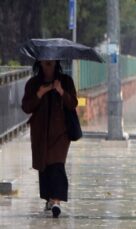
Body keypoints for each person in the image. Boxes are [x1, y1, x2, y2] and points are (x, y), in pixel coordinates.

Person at [21, 60, 78, 218]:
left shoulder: (66, 81)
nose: (48, 65)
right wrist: (39, 93)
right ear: (39, 63)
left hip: (61, 133)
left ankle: (56, 201)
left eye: (51, 62)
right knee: (44, 164)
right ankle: (49, 198)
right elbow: (26, 107)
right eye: (45, 62)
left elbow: (73, 103)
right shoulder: (33, 83)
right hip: (40, 132)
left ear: (56, 63)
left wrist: (61, 91)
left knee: (57, 164)